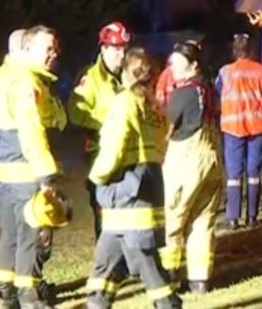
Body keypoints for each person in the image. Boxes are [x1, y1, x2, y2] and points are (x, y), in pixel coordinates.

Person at [86, 47, 181, 308]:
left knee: (147, 263)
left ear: (126, 72)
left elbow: (113, 147)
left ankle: (168, 304)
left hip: (127, 188)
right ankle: (97, 302)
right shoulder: (154, 105)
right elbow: (162, 143)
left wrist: (97, 177)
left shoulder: (125, 102)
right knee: (106, 261)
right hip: (146, 184)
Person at [0, 26, 67, 309]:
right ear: (28, 48)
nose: (53, 54)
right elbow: (32, 130)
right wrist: (46, 174)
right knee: (31, 237)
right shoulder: (26, 83)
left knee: (9, 235)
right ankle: (29, 297)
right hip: (27, 171)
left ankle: (5, 292)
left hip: (6, 172)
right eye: (48, 49)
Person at [160, 41, 223, 295]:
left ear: (193, 64)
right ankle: (200, 280)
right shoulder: (207, 89)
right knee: (203, 221)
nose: (171, 66)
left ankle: (169, 276)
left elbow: (167, 128)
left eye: (177, 62)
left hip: (186, 158)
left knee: (173, 219)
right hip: (212, 157)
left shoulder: (183, 92)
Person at [69, 22, 131, 239]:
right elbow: (77, 114)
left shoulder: (129, 76)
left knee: (128, 208)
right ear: (103, 49)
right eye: (116, 49)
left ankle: (126, 258)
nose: (121, 54)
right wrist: (106, 126)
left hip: (129, 153)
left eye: (124, 48)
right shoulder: (90, 78)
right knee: (103, 210)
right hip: (99, 151)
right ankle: (109, 261)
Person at [216, 33, 262, 229]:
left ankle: (232, 218)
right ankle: (252, 216)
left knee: (234, 175)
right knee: (253, 173)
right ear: (250, 50)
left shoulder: (225, 73)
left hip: (233, 129)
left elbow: (217, 96)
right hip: (257, 128)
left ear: (234, 50)